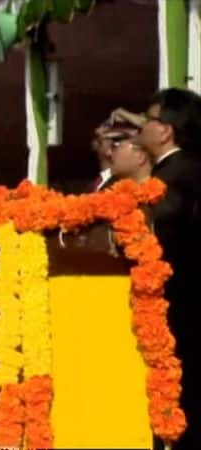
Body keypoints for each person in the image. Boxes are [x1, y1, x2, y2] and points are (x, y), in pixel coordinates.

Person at [136, 88, 201, 450]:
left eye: (149, 119)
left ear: (166, 131)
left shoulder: (173, 178)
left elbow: (162, 237)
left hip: (179, 304)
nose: (142, 126)